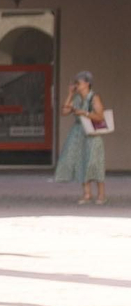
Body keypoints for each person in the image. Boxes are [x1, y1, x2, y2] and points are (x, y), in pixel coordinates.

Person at [55, 71, 107, 205]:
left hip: (92, 133)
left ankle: (101, 194)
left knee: (95, 162)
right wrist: (70, 94)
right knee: (81, 161)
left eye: (78, 83)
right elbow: (64, 111)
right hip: (78, 132)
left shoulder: (94, 97)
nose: (76, 85)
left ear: (87, 83)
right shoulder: (77, 98)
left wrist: (84, 113)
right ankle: (87, 193)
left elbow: (100, 116)